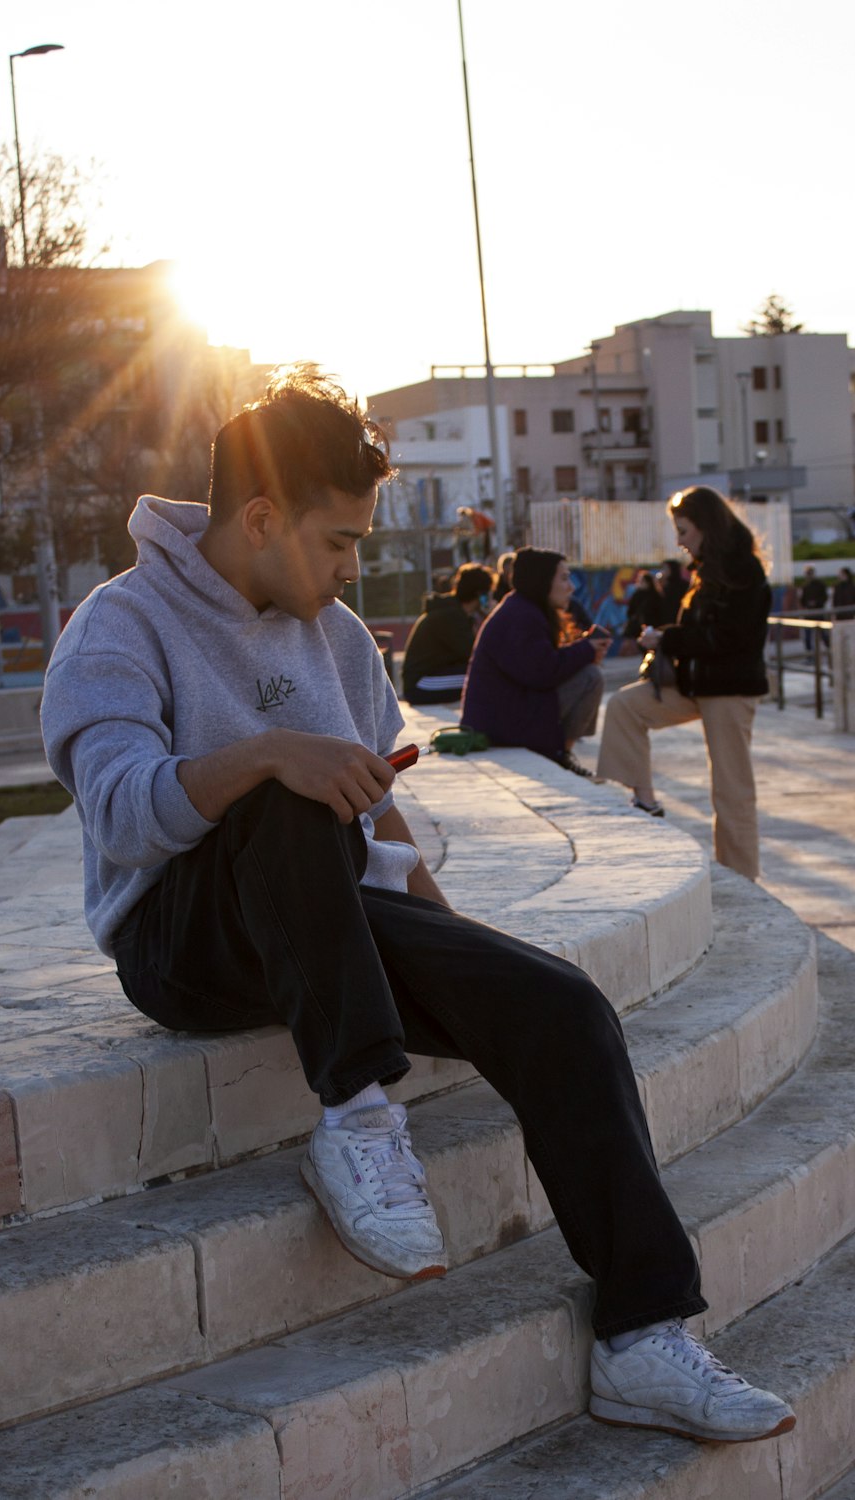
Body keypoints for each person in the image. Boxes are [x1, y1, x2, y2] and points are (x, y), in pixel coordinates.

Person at [40, 369, 793, 1445]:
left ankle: (643, 1337)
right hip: (182, 936)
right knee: (284, 799)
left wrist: (461, 950)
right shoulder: (120, 625)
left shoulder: (338, 640)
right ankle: (354, 1115)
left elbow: (377, 817)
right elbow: (120, 813)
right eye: (338, 541)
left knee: (558, 1004)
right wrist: (265, 755)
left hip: (317, 918)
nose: (353, 569)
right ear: (261, 518)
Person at [596, 486, 770, 879]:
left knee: (731, 789)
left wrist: (668, 638)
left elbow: (731, 638)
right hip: (695, 685)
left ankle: (742, 877)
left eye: (684, 531)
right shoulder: (706, 570)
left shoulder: (742, 569)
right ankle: (640, 803)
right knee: (625, 707)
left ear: (708, 527)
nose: (679, 541)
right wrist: (664, 636)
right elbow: (703, 630)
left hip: (729, 690)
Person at [460, 547, 610, 778]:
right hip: (500, 723)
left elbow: (540, 664)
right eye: (563, 578)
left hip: (504, 713)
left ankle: (562, 754)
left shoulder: (525, 609)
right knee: (590, 677)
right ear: (542, 581)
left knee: (586, 670)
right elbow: (543, 672)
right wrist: (586, 650)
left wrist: (585, 648)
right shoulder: (521, 616)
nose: (571, 587)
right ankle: (562, 755)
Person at [401, 563, 493, 705]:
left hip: (427, 678)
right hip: (420, 685)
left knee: (484, 673)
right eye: (487, 594)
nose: (488, 598)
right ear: (479, 594)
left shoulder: (454, 612)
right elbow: (475, 655)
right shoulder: (450, 616)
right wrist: (492, 617)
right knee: (484, 675)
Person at [622, 570, 664, 649]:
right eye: (640, 581)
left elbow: (659, 611)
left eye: (643, 581)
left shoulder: (655, 595)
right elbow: (630, 611)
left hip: (653, 627)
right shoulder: (637, 595)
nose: (641, 583)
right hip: (639, 628)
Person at [799, 565, 827, 652]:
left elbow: (824, 597)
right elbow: (802, 599)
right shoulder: (805, 586)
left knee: (823, 634)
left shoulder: (820, 585)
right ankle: (809, 653)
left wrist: (816, 603)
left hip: (818, 612)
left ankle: (830, 650)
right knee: (808, 636)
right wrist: (807, 604)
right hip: (809, 613)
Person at [656, 558, 688, 627]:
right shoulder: (664, 585)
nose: (663, 571)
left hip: (677, 622)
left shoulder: (682, 585)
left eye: (665, 568)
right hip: (665, 621)